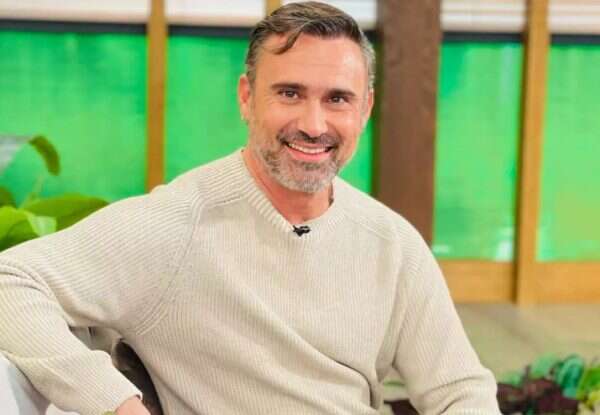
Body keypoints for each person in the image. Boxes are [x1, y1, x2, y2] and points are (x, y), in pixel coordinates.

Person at [0, 2, 501, 414]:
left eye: (337, 99)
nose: (313, 124)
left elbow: (459, 390)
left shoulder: (391, 243)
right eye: (290, 93)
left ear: (365, 109)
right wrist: (116, 402)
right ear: (246, 97)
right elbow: (11, 281)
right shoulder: (177, 225)